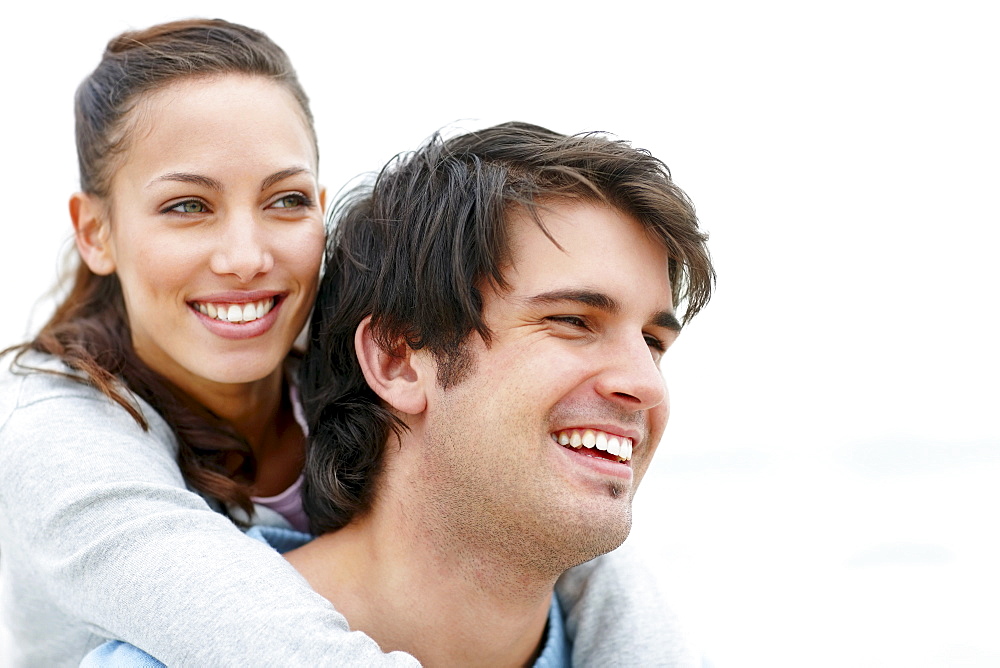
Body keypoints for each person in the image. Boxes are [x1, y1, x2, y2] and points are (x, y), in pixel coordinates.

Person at [0, 20, 700, 668]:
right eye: (188, 206)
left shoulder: (338, 355)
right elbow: (273, 642)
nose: (247, 255)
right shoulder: (62, 436)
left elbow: (562, 524)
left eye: (287, 200)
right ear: (94, 232)